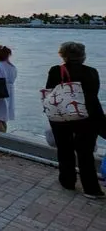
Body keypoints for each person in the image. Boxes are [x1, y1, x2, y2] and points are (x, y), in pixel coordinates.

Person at [46, 42, 104, 199]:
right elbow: (93, 95)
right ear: (83, 56)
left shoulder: (56, 71)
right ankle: (91, 189)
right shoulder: (91, 72)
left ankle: (67, 181)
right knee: (85, 153)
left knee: (64, 149)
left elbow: (50, 93)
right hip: (87, 117)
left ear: (63, 55)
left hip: (61, 117)